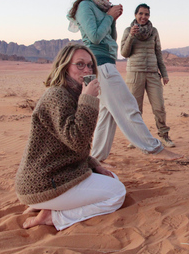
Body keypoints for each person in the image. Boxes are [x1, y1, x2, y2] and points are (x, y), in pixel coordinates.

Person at [67, 0, 182, 162]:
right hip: (98, 64)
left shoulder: (102, 9)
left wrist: (111, 18)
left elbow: (110, 40)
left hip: (106, 62)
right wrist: (110, 18)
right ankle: (154, 149)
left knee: (107, 114)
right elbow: (95, 37)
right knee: (128, 106)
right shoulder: (85, 7)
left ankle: (95, 159)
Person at [15, 43, 126, 231]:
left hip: (56, 174)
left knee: (111, 178)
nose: (87, 70)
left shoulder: (72, 94)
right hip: (44, 182)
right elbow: (77, 140)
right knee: (117, 194)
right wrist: (88, 100)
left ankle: (48, 204)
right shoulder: (58, 95)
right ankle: (54, 216)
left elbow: (71, 147)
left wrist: (94, 164)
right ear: (65, 66)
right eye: (80, 64)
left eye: (90, 65)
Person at [120, 4, 175, 148]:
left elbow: (158, 53)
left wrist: (164, 74)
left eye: (146, 14)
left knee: (159, 107)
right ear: (135, 15)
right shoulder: (128, 30)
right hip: (135, 74)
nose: (143, 17)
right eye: (141, 14)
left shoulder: (154, 31)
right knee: (135, 108)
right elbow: (124, 53)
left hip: (152, 74)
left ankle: (164, 135)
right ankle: (136, 138)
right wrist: (131, 36)